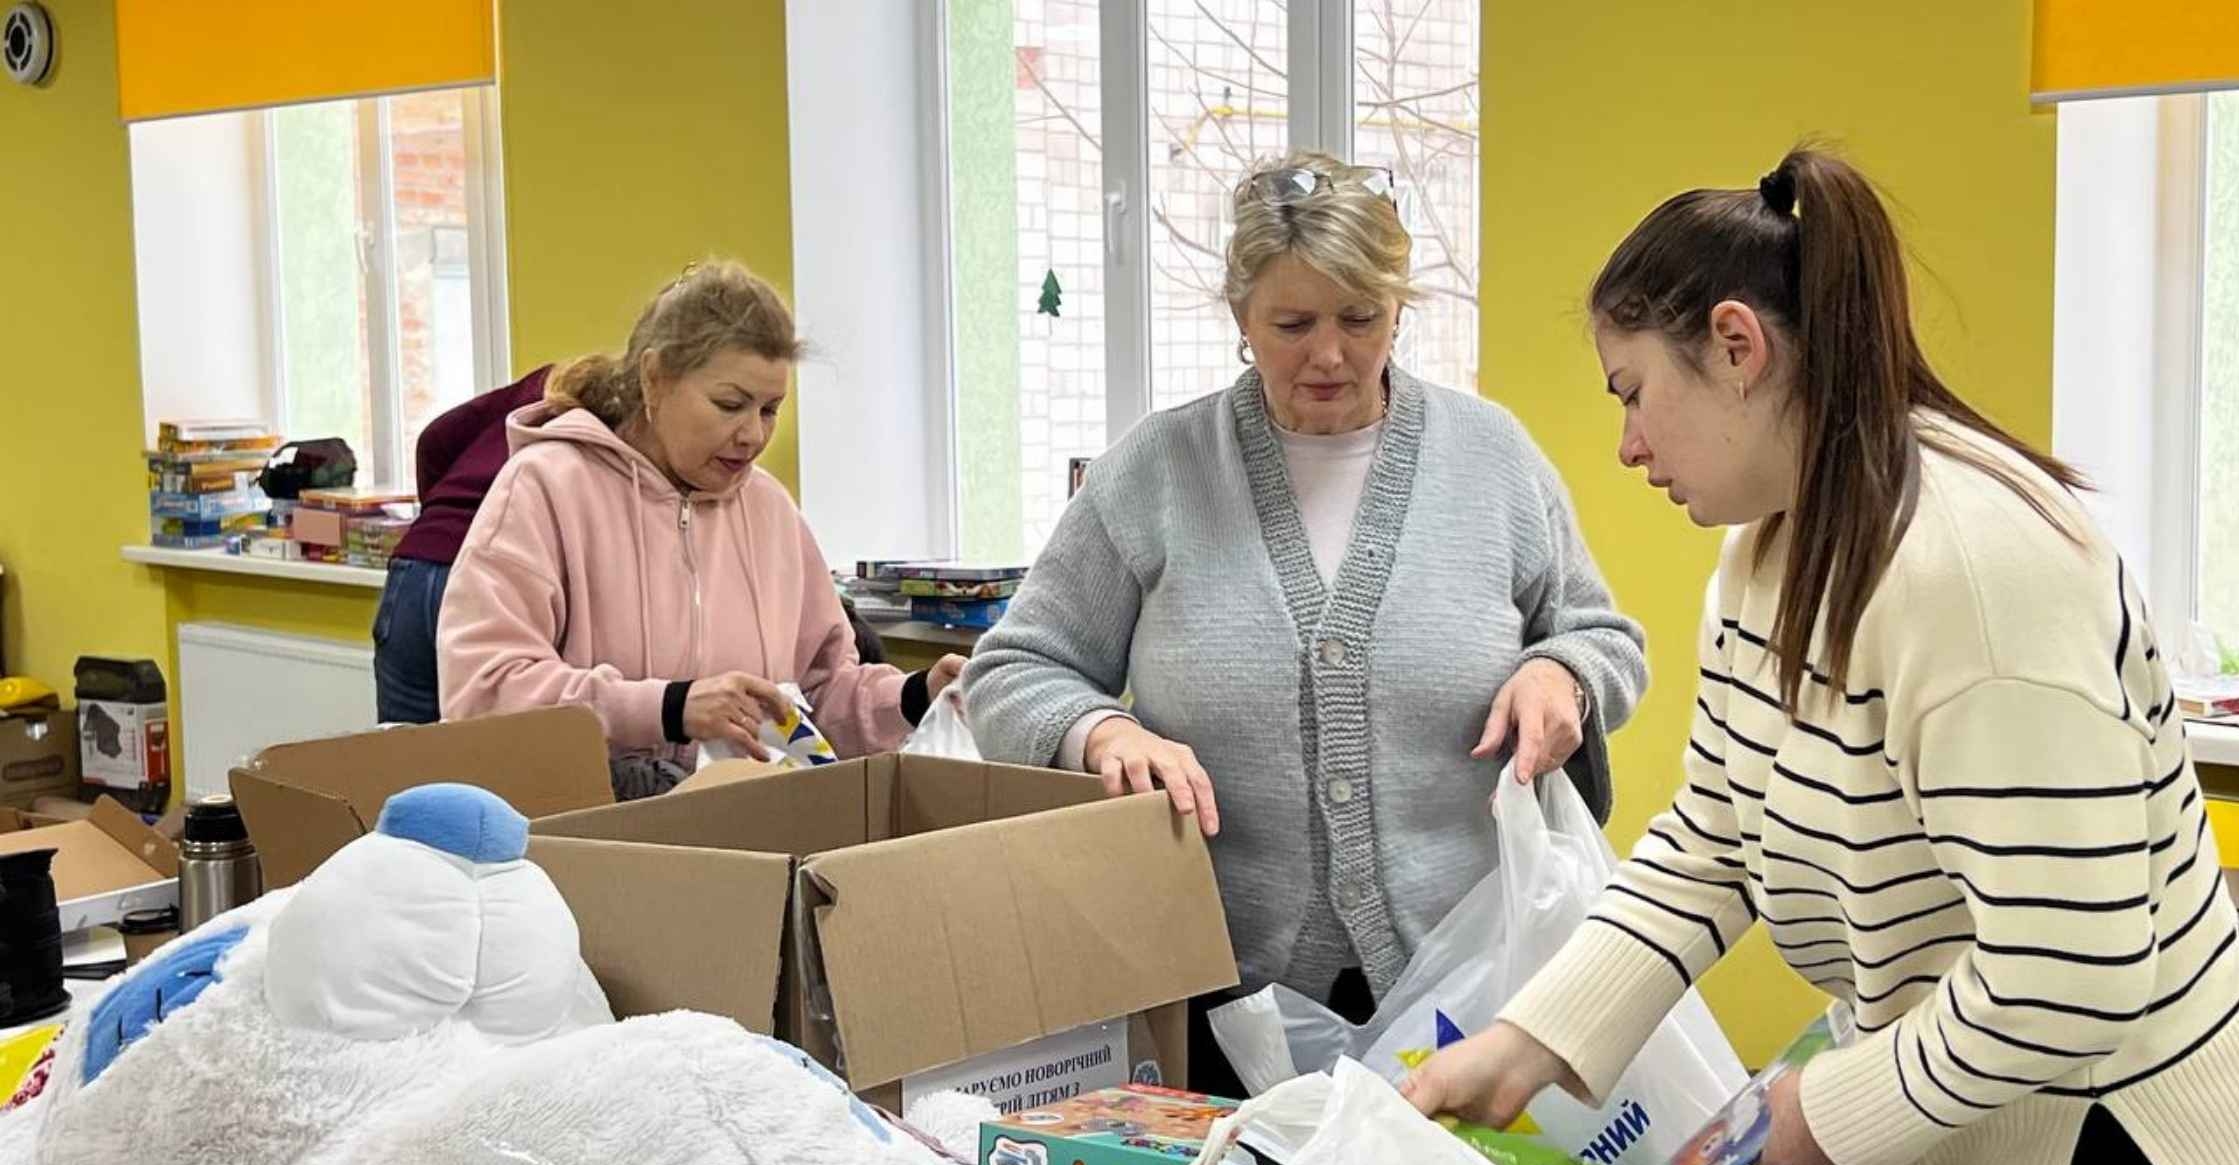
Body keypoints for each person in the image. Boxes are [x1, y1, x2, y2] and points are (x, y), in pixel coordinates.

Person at [1403, 146, 2239, 1165]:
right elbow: (1713, 840)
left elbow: (2065, 971)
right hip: (1976, 1135)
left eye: (1634, 393)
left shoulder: (1974, 570)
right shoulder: (1767, 557)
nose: (1626, 444)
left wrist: (1828, 1108)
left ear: (1736, 347)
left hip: (2114, 1153)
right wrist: (1526, 1043)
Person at [962, 150, 1647, 1098]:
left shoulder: (1492, 459)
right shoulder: (1158, 470)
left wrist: (1561, 676)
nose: (1329, 354)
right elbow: (1012, 670)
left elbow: (1604, 637)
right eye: (1292, 323)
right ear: (1242, 317)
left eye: (1360, 318)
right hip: (1215, 996)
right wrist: (1101, 731)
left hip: (1468, 990)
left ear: (1398, 309)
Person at [438, 259, 965, 798]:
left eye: (770, 409)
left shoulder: (770, 509)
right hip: (585, 831)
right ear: (654, 378)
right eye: (729, 404)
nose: (753, 435)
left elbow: (818, 694)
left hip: (740, 826)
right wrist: (668, 708)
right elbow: (485, 691)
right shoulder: (545, 487)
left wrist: (915, 696)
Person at [373, 365, 552, 725]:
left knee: (399, 757)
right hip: (491, 572)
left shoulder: (545, 383)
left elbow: (436, 438)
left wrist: (437, 510)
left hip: (417, 564)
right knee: (486, 756)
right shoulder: (615, 420)